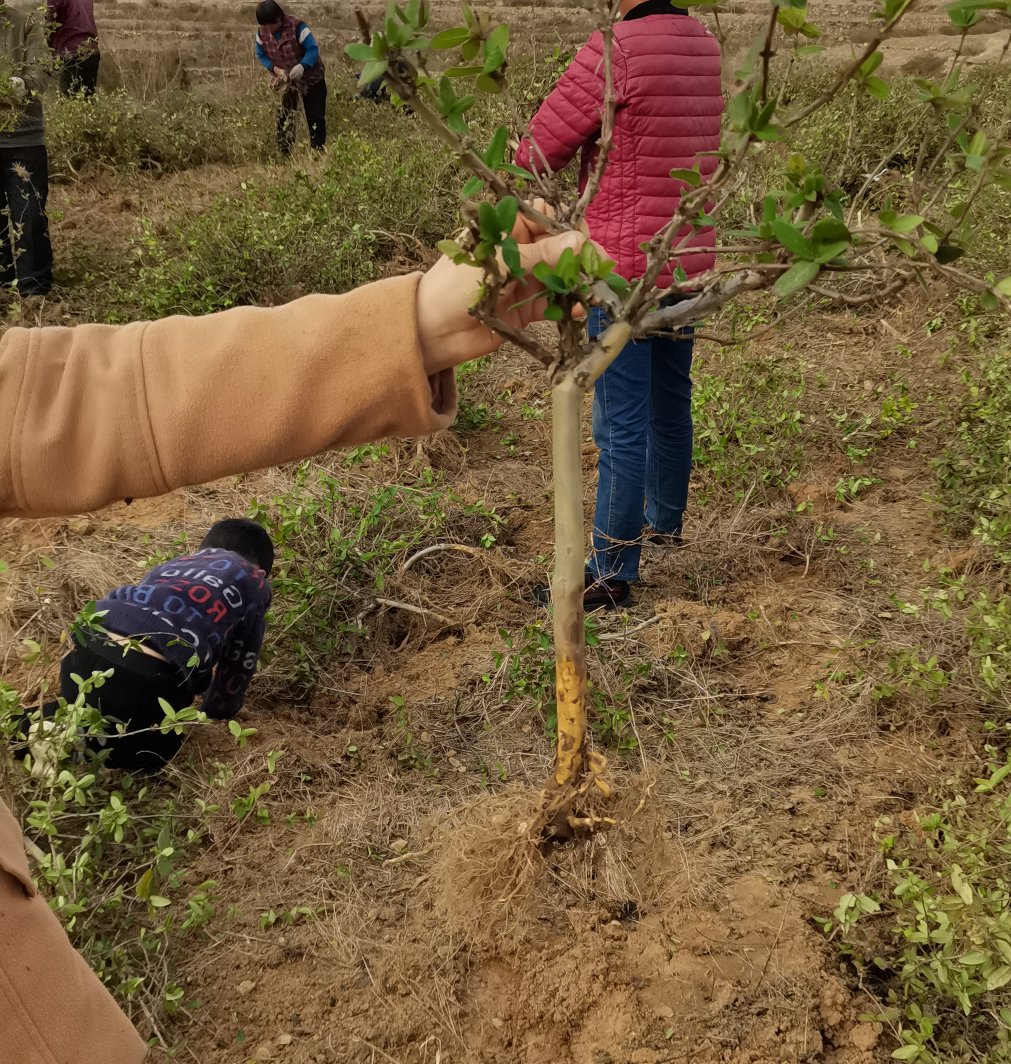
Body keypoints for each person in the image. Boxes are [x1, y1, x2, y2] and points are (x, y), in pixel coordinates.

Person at [0, 217, 583, 1063]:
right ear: (260, 573)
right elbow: (232, 661)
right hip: (154, 664)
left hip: (93, 636)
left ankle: (56, 733)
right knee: (138, 741)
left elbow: (69, 393)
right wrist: (219, 716)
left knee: (84, 708)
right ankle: (119, 758)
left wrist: (409, 321)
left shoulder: (181, 560)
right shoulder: (246, 586)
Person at [516, 0, 723, 610]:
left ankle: (610, 571)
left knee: (620, 424)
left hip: (621, 269)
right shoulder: (704, 45)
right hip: (686, 258)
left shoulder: (616, 49)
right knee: (669, 400)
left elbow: (537, 149)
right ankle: (665, 523)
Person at [39, 520, 274, 771]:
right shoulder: (254, 580)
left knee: (82, 712)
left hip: (84, 646)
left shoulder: (174, 564)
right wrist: (221, 708)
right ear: (261, 569)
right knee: (151, 753)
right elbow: (239, 659)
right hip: (144, 677)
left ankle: (33, 727)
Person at [0, 0, 53, 299]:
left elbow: (42, 73)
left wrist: (19, 84)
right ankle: (3, 282)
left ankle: (34, 290)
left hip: (24, 139)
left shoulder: (26, 23)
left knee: (30, 217)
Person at [254, 0, 326, 154]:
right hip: (287, 82)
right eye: (263, 25)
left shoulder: (298, 27)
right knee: (285, 116)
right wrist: (276, 70)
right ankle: (284, 152)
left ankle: (317, 151)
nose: (267, 29)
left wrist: (302, 66)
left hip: (312, 79)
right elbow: (261, 55)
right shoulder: (262, 33)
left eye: (269, 25)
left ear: (279, 19)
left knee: (315, 116)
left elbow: (312, 50)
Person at [47, 0, 100, 97]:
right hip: (92, 50)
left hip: (70, 51)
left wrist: (49, 47)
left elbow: (49, 25)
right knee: (88, 102)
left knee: (68, 101)